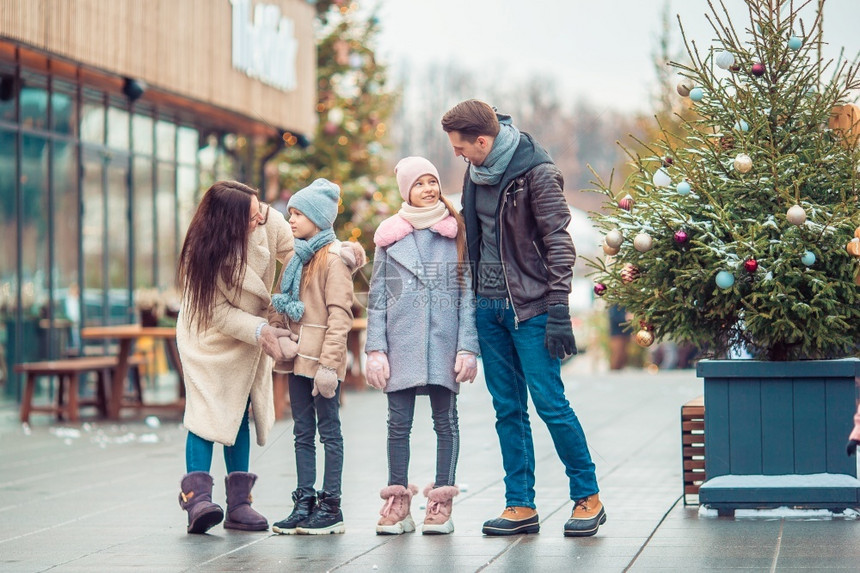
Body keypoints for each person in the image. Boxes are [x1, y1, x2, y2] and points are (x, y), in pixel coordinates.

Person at [441, 99, 606, 537]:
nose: (457, 154)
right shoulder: (475, 172)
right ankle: (520, 504)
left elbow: (558, 243)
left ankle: (587, 497)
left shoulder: (538, 172)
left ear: (483, 140)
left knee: (551, 404)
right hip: (488, 309)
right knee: (507, 409)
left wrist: (558, 310)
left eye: (461, 146)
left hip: (531, 308)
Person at [364, 156, 480, 536]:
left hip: (444, 344)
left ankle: (440, 503)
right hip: (401, 345)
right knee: (398, 425)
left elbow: (467, 295)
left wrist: (467, 347)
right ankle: (399, 502)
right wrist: (375, 349)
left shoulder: (454, 232)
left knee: (445, 422)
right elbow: (378, 296)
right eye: (419, 183)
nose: (429, 189)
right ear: (406, 192)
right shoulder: (389, 237)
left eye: (432, 181)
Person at [175, 180, 295, 534]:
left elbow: (297, 253)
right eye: (253, 217)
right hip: (207, 337)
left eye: (261, 212)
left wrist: (328, 260)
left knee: (240, 408)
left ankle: (240, 505)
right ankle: (196, 500)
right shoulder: (203, 250)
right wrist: (262, 332)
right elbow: (217, 313)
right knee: (206, 411)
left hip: (249, 333)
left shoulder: (267, 220)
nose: (261, 219)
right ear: (229, 222)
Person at [269, 179, 366, 536]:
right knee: (301, 431)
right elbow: (279, 306)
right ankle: (304, 501)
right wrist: (279, 337)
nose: (291, 220)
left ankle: (331, 504)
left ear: (318, 217)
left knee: (329, 432)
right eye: (290, 212)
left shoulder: (334, 259)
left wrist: (328, 365)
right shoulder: (295, 258)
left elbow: (341, 316)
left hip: (321, 363)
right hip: (296, 359)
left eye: (298, 214)